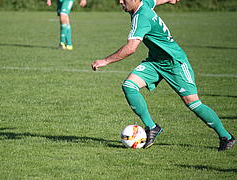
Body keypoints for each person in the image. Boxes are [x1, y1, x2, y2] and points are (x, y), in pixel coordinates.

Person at [91, 0, 235, 151]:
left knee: (193, 103)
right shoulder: (144, 4)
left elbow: (131, 48)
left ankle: (226, 137)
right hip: (155, 62)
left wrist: (105, 61)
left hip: (175, 63)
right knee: (129, 85)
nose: (120, 1)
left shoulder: (142, 17)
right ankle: (152, 127)